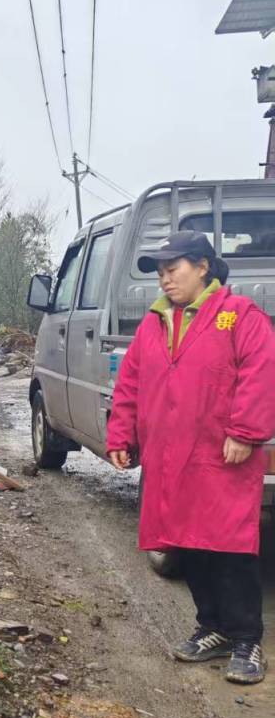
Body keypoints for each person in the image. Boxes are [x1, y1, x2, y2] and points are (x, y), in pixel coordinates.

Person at [106, 230, 275, 684]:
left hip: (223, 456)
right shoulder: (153, 324)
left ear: (203, 267)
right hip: (172, 457)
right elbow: (130, 384)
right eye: (160, 272)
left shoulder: (238, 315)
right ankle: (212, 627)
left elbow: (261, 372)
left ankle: (246, 639)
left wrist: (245, 432)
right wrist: (121, 435)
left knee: (231, 548)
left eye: (173, 269)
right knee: (189, 542)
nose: (165, 279)